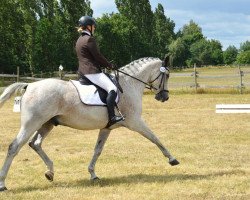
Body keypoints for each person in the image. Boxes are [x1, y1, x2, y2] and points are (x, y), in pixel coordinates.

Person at [75, 16, 123, 128]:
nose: (94, 28)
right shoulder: (89, 39)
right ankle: (112, 117)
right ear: (88, 27)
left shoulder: (79, 40)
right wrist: (110, 65)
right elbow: (97, 56)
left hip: (82, 72)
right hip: (91, 71)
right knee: (112, 88)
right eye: (93, 26)